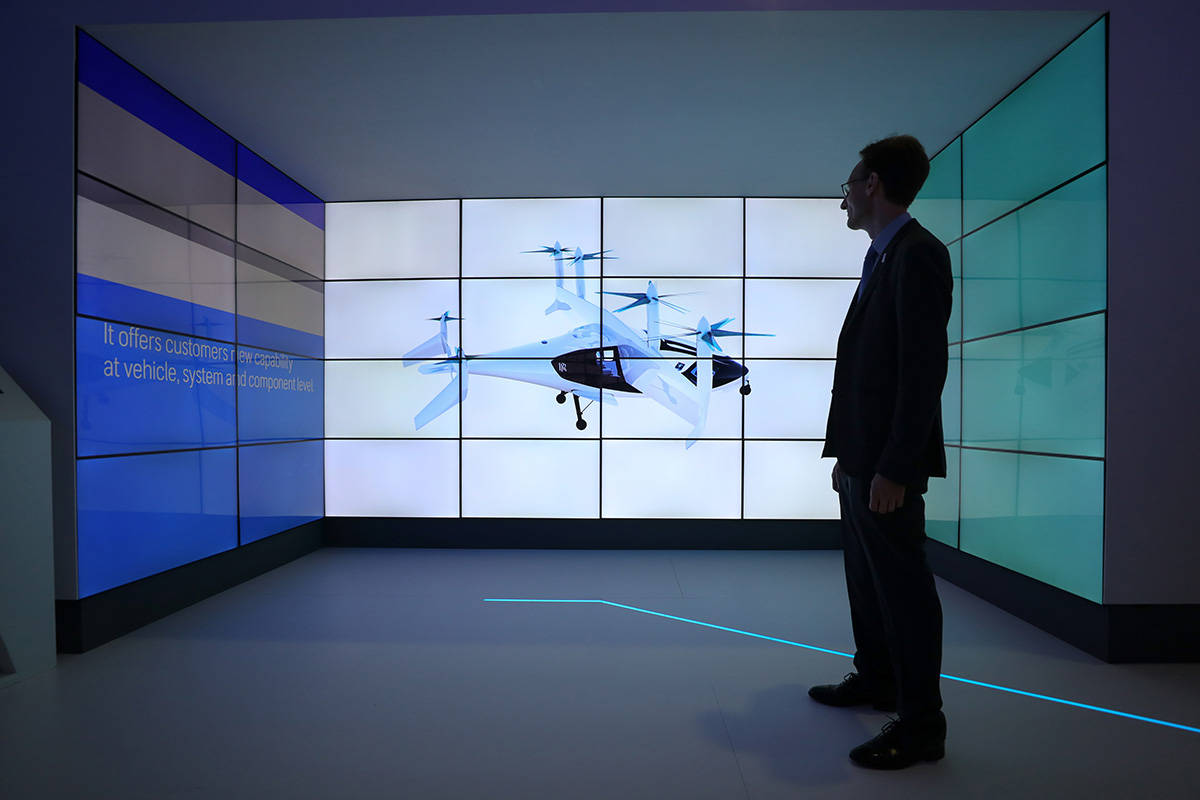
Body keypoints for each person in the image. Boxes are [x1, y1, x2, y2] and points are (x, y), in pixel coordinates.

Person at [811, 134, 953, 769]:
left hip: (887, 463)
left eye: (850, 181)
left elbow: (921, 371)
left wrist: (896, 465)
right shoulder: (884, 257)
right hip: (862, 456)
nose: (842, 194)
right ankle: (877, 678)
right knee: (866, 579)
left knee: (902, 588)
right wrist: (847, 453)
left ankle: (921, 725)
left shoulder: (918, 255)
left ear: (873, 185)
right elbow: (867, 368)